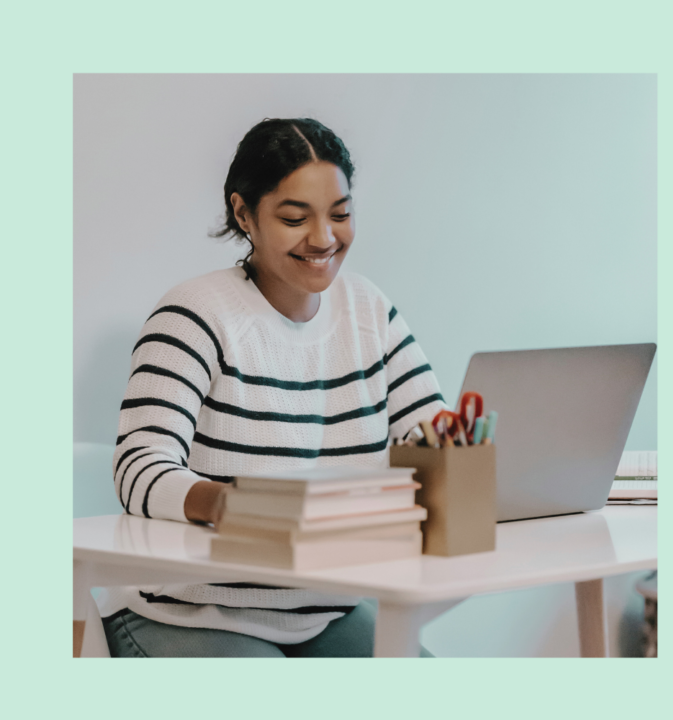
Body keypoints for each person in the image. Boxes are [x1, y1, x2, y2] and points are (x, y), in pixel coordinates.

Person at [97, 117, 447, 657]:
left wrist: (459, 458)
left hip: (324, 610)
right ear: (244, 214)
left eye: (341, 214)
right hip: (189, 612)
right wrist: (241, 506)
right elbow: (139, 467)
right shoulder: (194, 315)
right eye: (294, 218)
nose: (324, 238)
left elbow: (436, 438)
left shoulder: (370, 313)